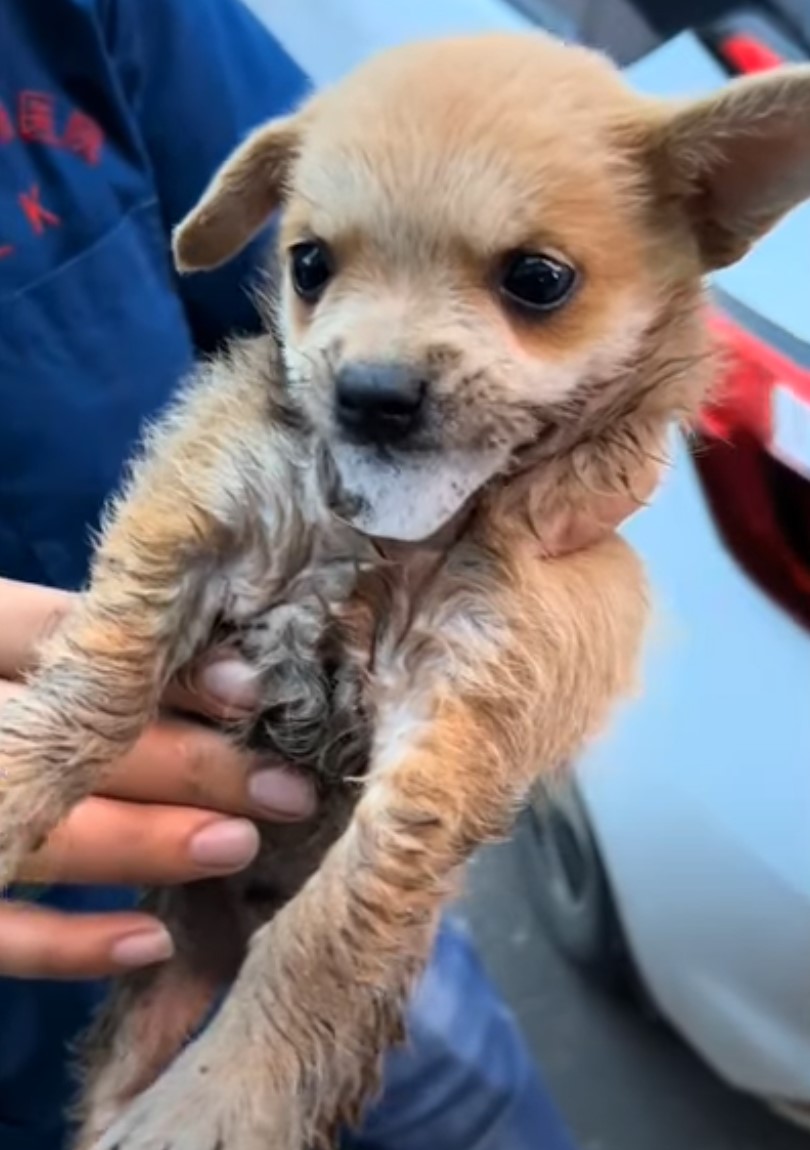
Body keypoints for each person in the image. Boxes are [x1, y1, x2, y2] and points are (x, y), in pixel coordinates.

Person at [0, 3, 656, 1148]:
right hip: (37, 998)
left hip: (347, 870)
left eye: (532, 280)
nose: (380, 359)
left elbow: (365, 179)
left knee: (446, 1090)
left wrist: (605, 440)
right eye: (318, 271)